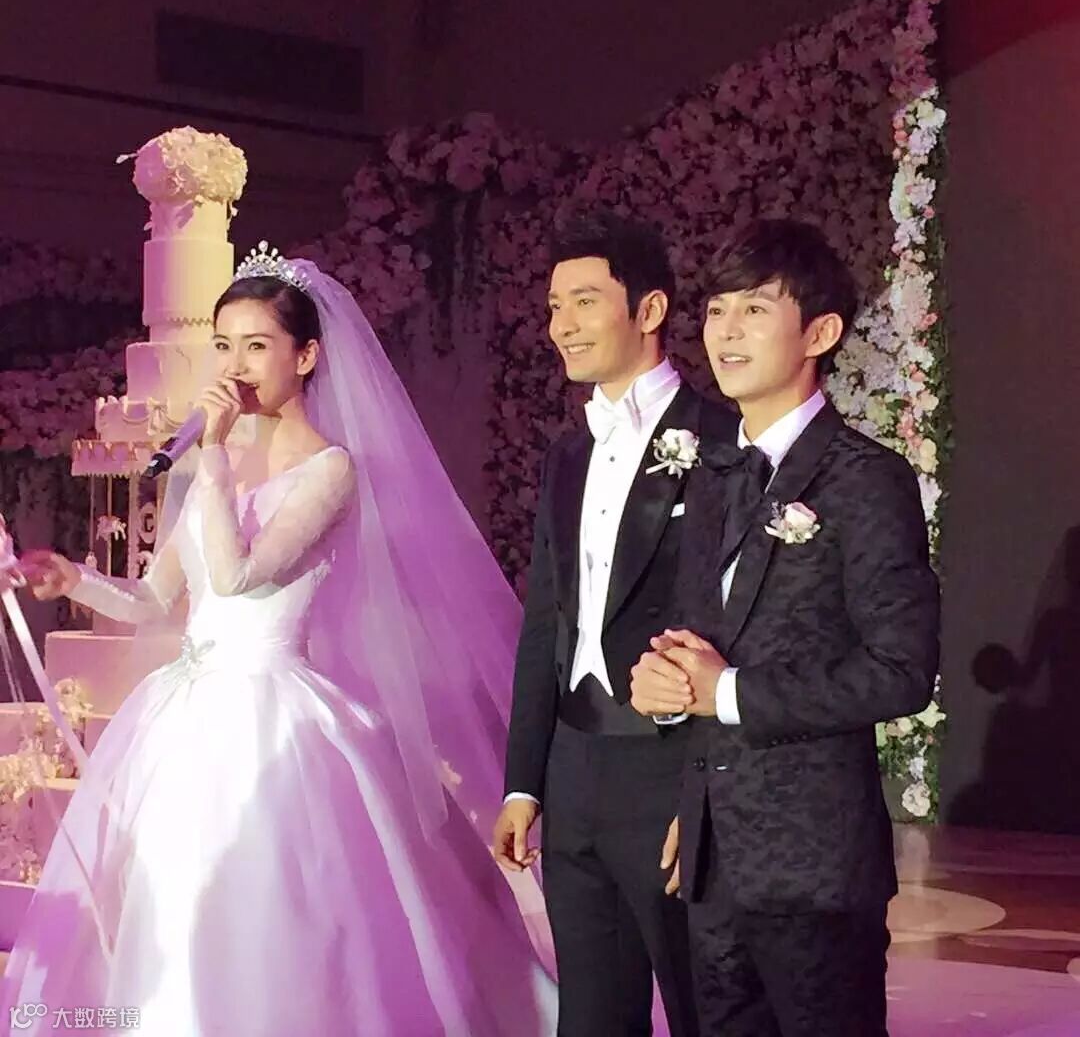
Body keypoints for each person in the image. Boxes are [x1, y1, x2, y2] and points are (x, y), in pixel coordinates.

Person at [3, 249, 557, 1036]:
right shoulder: (208, 467)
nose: (235, 366)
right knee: (173, 900)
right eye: (223, 345)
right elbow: (156, 598)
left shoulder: (330, 470)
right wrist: (75, 579)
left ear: (306, 356)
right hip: (183, 715)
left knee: (285, 912)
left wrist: (214, 455)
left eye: (257, 346)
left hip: (273, 719)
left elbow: (237, 577)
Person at [630, 218, 940, 1036]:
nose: (726, 331)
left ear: (820, 333)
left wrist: (726, 693)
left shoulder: (865, 479)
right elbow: (698, 648)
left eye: (755, 310)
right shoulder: (713, 473)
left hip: (814, 870)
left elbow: (901, 670)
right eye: (717, 310)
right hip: (711, 861)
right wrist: (664, 689)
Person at [493, 209, 735, 1036]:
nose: (562, 324)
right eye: (554, 306)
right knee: (592, 1016)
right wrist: (525, 781)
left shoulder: (722, 441)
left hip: (671, 769)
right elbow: (546, 622)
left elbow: (738, 624)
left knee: (706, 1008)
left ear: (650, 309)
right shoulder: (568, 453)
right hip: (574, 771)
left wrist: (705, 791)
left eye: (585, 302)